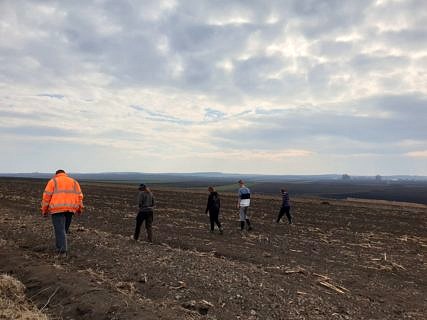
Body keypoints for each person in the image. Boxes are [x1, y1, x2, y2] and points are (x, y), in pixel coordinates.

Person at [41, 169, 84, 255]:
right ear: (65, 174)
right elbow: (79, 197)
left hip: (57, 209)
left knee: (60, 230)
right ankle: (61, 247)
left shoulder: (53, 181)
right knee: (64, 230)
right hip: (70, 209)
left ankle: (62, 250)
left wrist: (44, 210)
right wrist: (80, 209)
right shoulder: (74, 182)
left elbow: (46, 197)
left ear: (56, 174)